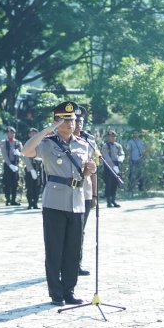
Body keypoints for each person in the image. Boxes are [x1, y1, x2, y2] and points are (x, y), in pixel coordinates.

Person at [22, 101, 96, 306]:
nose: (71, 123)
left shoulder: (83, 144)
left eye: (73, 120)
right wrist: (49, 128)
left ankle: (69, 290)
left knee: (73, 249)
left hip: (78, 201)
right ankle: (56, 293)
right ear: (57, 121)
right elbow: (26, 150)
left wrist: (90, 171)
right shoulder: (47, 143)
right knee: (55, 249)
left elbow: (83, 173)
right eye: (66, 120)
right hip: (54, 202)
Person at [73, 106, 96, 276]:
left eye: (81, 121)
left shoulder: (90, 142)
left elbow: (94, 171)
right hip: (69, 190)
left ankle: (77, 263)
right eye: (76, 120)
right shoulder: (63, 141)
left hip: (86, 191)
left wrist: (95, 194)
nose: (79, 124)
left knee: (81, 229)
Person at [101, 130, 125, 207]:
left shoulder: (118, 146)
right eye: (111, 136)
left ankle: (113, 200)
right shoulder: (105, 146)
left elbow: (122, 154)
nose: (112, 138)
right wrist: (113, 166)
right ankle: (108, 201)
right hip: (108, 166)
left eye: (114, 136)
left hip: (116, 164)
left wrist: (120, 159)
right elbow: (106, 157)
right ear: (108, 137)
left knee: (115, 182)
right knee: (108, 183)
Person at [1, 126, 23, 206]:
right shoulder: (4, 142)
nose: (11, 134)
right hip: (8, 165)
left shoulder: (18, 142)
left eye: (13, 133)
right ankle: (8, 200)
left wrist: (19, 153)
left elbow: (23, 152)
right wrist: (10, 165)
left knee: (15, 183)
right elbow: (4, 155)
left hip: (16, 164)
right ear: (7, 134)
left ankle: (14, 199)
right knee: (7, 183)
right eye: (9, 133)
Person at [23, 128, 43, 209]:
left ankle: (35, 203)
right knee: (30, 186)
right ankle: (30, 203)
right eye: (32, 133)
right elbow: (25, 156)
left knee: (37, 186)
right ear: (29, 135)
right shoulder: (27, 143)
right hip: (30, 167)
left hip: (38, 166)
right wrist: (31, 169)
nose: (33, 135)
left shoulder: (41, 143)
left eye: (35, 133)